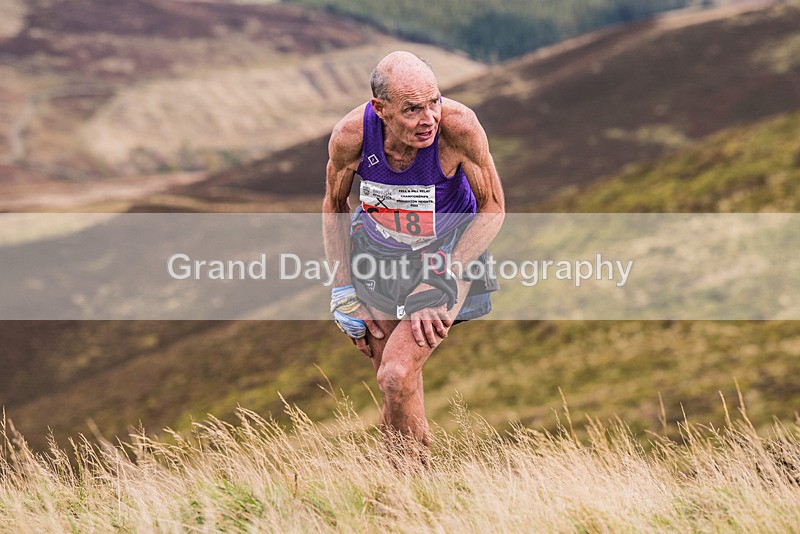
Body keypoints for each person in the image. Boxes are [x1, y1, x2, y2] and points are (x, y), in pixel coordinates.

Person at [322, 51, 505, 458]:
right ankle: (411, 492)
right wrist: (342, 289)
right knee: (398, 390)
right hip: (376, 258)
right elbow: (334, 205)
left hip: (448, 255)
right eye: (412, 109)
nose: (429, 119)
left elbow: (493, 206)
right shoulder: (351, 135)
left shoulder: (458, 128)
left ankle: (406, 488)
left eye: (434, 101)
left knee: (394, 374)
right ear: (380, 109)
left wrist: (441, 273)